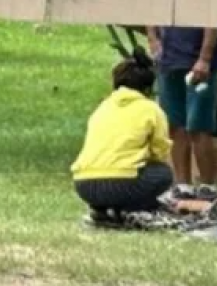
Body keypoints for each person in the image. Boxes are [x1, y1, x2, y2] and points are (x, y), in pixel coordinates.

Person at [71, 53, 174, 224]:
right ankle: (135, 208)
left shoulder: (102, 107)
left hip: (84, 184)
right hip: (121, 184)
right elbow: (160, 151)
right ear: (148, 88)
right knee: (163, 173)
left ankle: (100, 210)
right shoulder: (150, 109)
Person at [146, 25, 217, 201]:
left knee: (199, 124)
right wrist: (153, 39)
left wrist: (205, 58)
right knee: (175, 125)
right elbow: (151, 8)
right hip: (167, 60)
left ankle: (208, 185)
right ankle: (183, 185)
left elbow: (213, 18)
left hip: (199, 60)